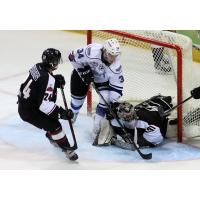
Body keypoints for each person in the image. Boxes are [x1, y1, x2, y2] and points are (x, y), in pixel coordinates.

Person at [17, 48, 78, 161]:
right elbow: (44, 106)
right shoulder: (47, 79)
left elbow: (39, 82)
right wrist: (62, 113)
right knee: (55, 125)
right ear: (52, 62)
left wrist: (54, 80)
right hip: (30, 111)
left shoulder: (38, 66)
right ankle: (67, 149)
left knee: (50, 118)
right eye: (56, 60)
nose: (58, 62)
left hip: (25, 104)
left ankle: (52, 135)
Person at [68, 38, 124, 141]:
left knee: (106, 98)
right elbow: (71, 56)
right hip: (82, 74)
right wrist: (83, 71)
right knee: (77, 101)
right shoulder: (91, 51)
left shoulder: (116, 66)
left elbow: (117, 88)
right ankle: (73, 114)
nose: (113, 58)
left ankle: (96, 129)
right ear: (105, 51)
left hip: (102, 80)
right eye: (111, 55)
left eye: (115, 55)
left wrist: (112, 104)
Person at [94, 94, 173, 149]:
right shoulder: (118, 118)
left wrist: (139, 142)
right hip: (145, 116)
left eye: (130, 115)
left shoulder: (147, 120)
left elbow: (158, 138)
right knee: (111, 120)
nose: (128, 117)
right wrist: (111, 111)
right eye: (126, 116)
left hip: (160, 126)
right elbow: (116, 108)